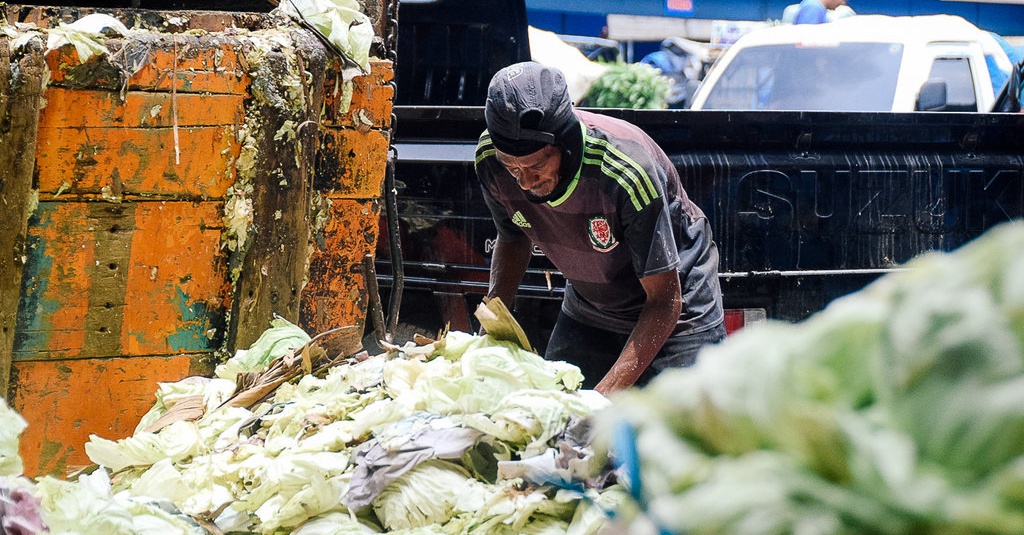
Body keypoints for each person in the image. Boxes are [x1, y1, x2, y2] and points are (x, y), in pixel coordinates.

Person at [475, 61, 726, 395]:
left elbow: (665, 301)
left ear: (563, 143)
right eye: (513, 168)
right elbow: (513, 236)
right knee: (558, 417)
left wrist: (601, 398)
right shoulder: (491, 160)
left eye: (536, 166)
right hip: (591, 305)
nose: (524, 181)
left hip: (678, 311)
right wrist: (489, 333)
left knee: (680, 435)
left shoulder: (625, 172)